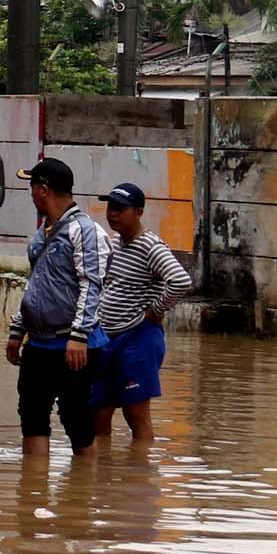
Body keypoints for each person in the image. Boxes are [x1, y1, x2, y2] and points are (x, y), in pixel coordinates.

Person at [6, 158, 107, 456]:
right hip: (38, 343)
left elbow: (92, 285)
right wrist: (17, 330)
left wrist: (79, 336)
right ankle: (33, 482)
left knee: (76, 419)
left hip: (73, 344)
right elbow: (36, 285)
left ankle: (84, 483)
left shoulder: (85, 231)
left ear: (42, 190)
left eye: (31, 187)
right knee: (32, 416)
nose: (30, 194)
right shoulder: (43, 233)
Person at [88, 182, 191, 442]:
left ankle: (141, 464)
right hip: (107, 338)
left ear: (139, 212)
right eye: (110, 208)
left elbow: (180, 280)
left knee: (135, 413)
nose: (113, 214)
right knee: (98, 411)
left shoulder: (150, 246)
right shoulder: (114, 244)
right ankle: (102, 465)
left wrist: (156, 310)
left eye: (120, 209)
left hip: (138, 338)